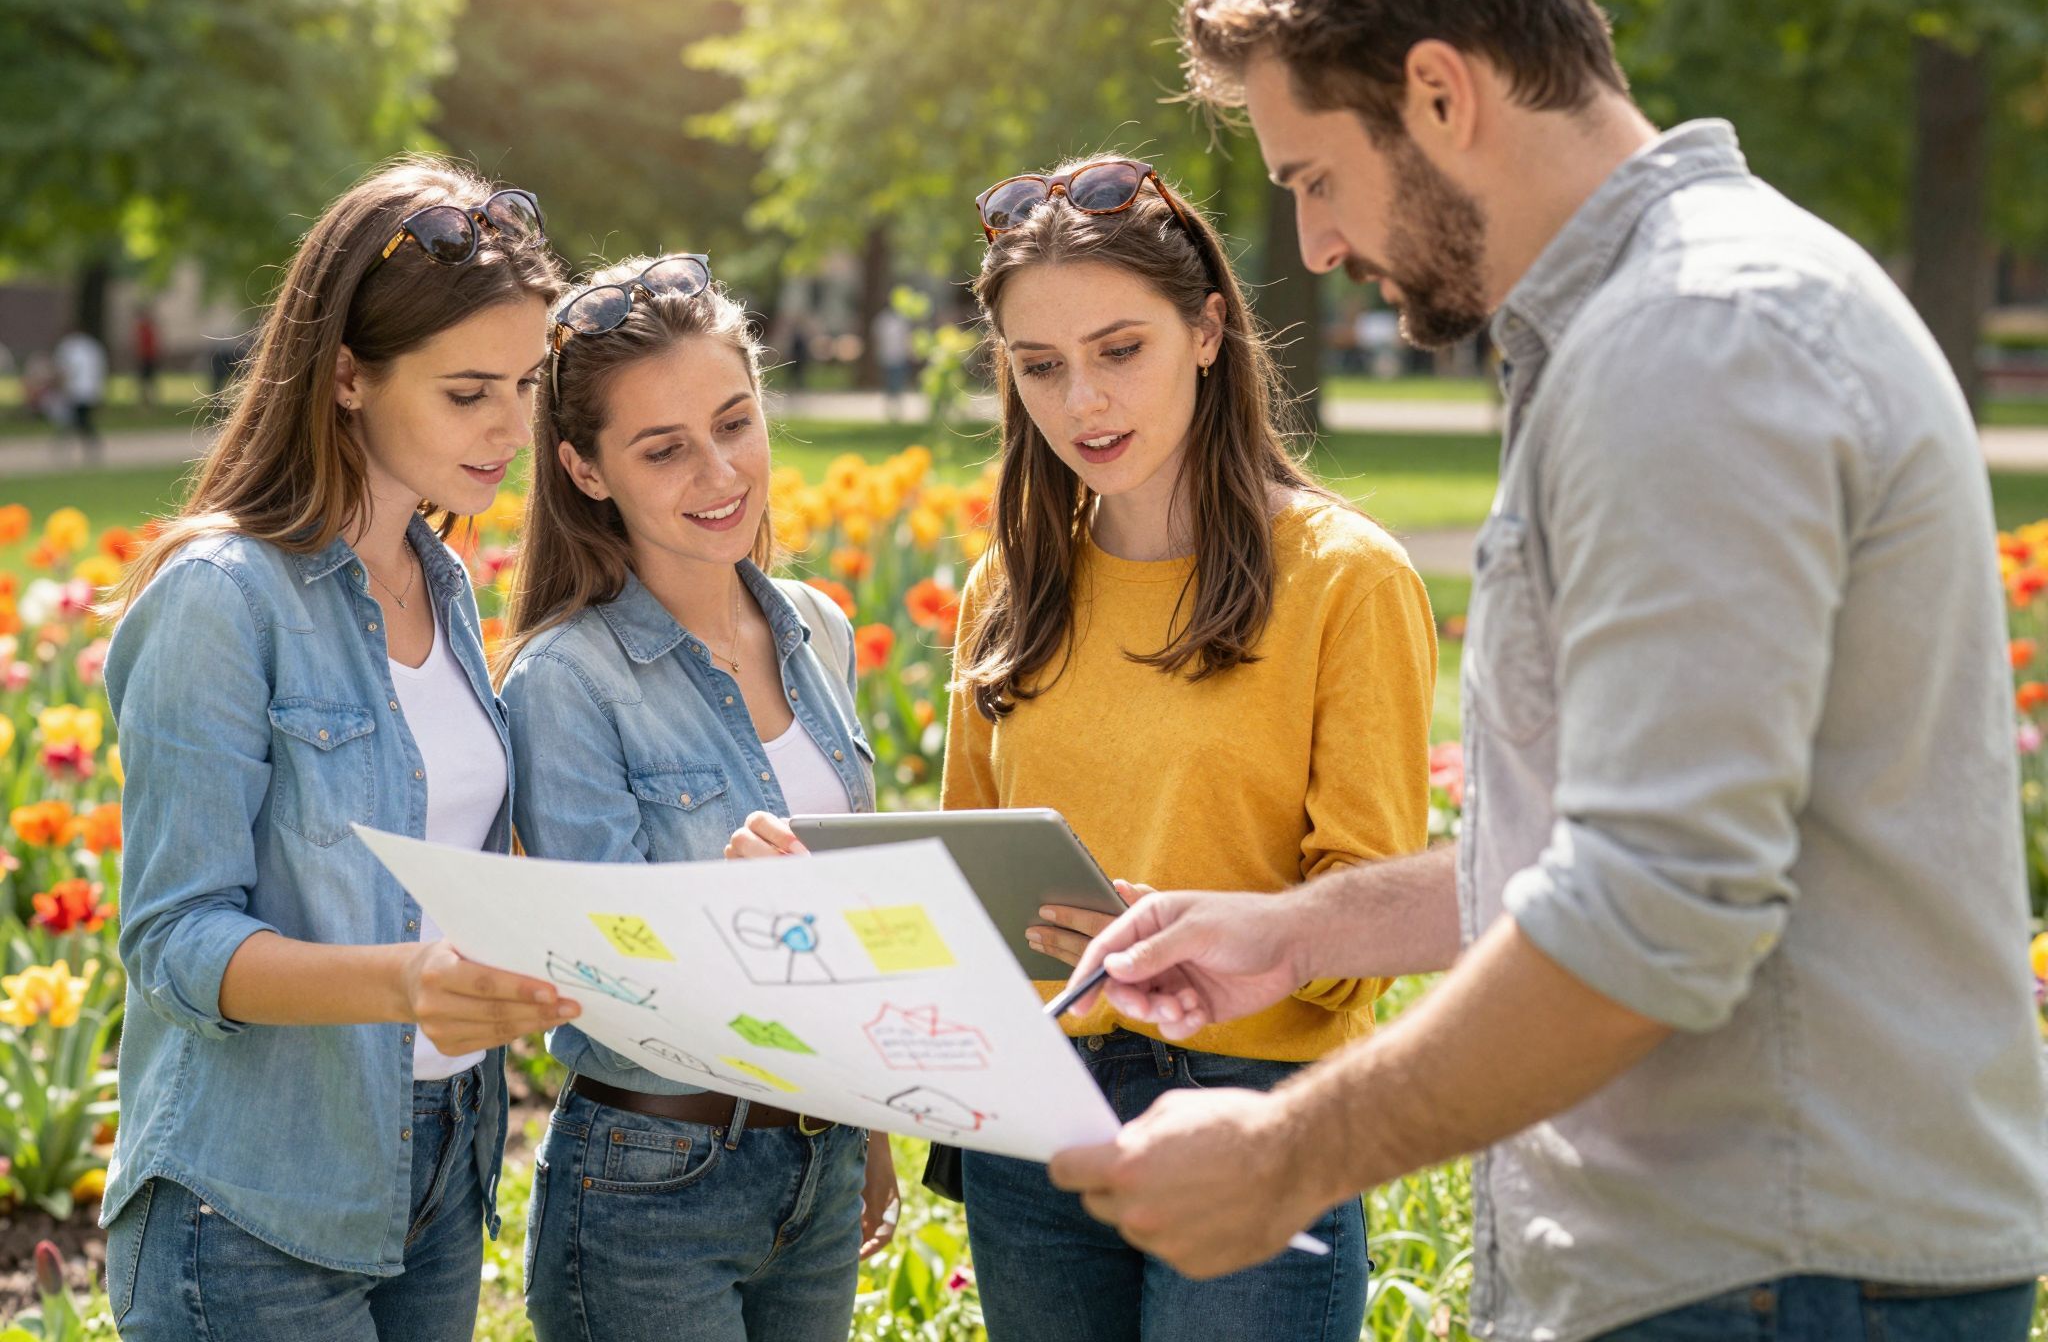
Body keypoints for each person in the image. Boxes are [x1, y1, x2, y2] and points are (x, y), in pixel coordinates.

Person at [1049, 0, 2048, 1342]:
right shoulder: (1659, 330)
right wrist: (1296, 932)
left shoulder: (1695, 342)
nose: (1314, 243)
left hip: (1783, 1279)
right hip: (1768, 1272)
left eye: (1317, 177)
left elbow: (1659, 907)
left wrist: (1287, 1155)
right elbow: (1606, 848)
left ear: (1443, 94)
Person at [742, 155, 1437, 1340]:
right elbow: (960, 886)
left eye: (1121, 352)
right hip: (1038, 1124)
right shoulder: (1009, 585)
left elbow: (1364, 928)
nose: (1083, 405)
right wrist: (835, 900)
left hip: (1251, 1113)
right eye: (1040, 367)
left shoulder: (1341, 579)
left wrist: (1200, 935)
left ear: (1208, 330)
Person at [98, 159, 574, 1342]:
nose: (512, 428)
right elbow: (177, 940)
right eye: (469, 392)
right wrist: (405, 982)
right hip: (249, 1201)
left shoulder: (444, 579)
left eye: (525, 384)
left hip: (436, 1175)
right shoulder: (222, 597)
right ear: (348, 375)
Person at [497, 252, 899, 1342]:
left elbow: (851, 917)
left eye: (735, 422)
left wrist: (870, 1130)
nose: (719, 472)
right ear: (586, 471)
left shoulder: (813, 627)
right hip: (651, 1178)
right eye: (663, 449)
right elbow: (598, 971)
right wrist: (717, 911)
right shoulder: (565, 681)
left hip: (816, 1159)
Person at [54, 324, 107, 460]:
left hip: (75, 390)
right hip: (91, 389)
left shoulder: (67, 347)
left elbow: (65, 370)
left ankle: (67, 446)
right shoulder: (93, 346)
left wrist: (61, 387)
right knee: (79, 419)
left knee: (77, 420)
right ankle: (85, 446)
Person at [872, 297, 913, 419]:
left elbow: (907, 338)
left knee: (898, 383)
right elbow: (877, 338)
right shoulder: (883, 319)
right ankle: (890, 409)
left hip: (899, 356)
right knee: (889, 383)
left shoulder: (902, 319)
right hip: (887, 356)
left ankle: (898, 409)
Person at [134, 305, 162, 406]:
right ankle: (146, 401)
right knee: (145, 382)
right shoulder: (143, 329)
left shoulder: (146, 329)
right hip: (145, 358)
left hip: (148, 358)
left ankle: (148, 402)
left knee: (147, 381)